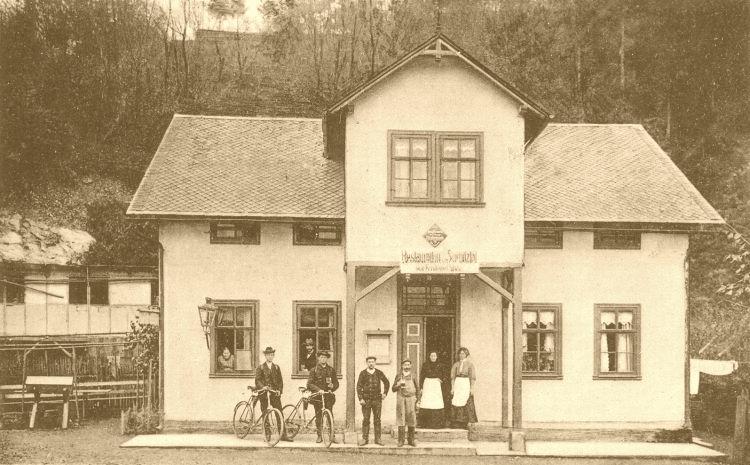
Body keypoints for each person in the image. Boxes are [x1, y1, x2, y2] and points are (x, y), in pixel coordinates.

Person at [255, 346, 292, 441]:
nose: (270, 357)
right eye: (268, 355)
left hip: (274, 393)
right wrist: (263, 387)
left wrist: (279, 390)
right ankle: (267, 434)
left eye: (272, 355)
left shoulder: (276, 367)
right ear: (265, 356)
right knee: (265, 413)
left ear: (273, 356)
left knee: (279, 413)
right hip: (264, 394)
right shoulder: (261, 367)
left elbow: (280, 381)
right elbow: (257, 380)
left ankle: (283, 435)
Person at [356, 356, 390, 446]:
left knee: (377, 420)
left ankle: (378, 439)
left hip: (377, 400)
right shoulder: (363, 373)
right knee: (366, 419)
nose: (371, 363)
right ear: (367, 363)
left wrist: (385, 393)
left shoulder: (379, 373)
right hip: (366, 400)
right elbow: (359, 386)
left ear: (375, 363)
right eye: (369, 362)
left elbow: (386, 382)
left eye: (372, 362)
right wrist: (361, 398)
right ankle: (365, 439)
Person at [307, 350, 339, 444]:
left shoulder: (331, 370)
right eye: (321, 357)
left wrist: (333, 387)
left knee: (330, 415)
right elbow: (309, 384)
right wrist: (318, 390)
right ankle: (319, 435)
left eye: (325, 357)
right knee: (319, 416)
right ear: (318, 358)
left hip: (328, 396)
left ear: (327, 358)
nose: (323, 359)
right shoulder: (314, 370)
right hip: (318, 397)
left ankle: (332, 435)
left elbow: (336, 383)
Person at [392, 359, 420, 447]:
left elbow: (418, 389)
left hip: (411, 399)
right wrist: (398, 384)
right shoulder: (398, 376)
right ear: (402, 366)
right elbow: (393, 389)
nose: (407, 366)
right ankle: (401, 440)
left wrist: (418, 400)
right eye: (405, 365)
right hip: (401, 399)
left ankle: (411, 440)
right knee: (401, 419)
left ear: (410, 366)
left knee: (411, 419)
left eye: (408, 365)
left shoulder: (413, 375)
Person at [450, 347, 478, 429]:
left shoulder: (470, 364)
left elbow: (472, 378)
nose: (461, 355)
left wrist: (472, 388)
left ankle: (465, 423)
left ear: (466, 355)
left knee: (465, 400)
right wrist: (452, 388)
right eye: (460, 353)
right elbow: (452, 377)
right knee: (457, 401)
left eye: (463, 354)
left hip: (465, 383)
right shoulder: (456, 364)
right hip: (458, 383)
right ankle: (457, 422)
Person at [419, 351, 445, 429]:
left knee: (436, 402)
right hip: (427, 384)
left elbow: (444, 375)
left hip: (436, 385)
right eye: (431, 356)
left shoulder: (440, 365)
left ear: (437, 357)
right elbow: (422, 376)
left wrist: (441, 379)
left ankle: (436, 424)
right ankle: (425, 424)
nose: (433, 357)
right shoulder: (425, 365)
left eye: (434, 356)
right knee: (427, 402)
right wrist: (421, 387)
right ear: (429, 357)